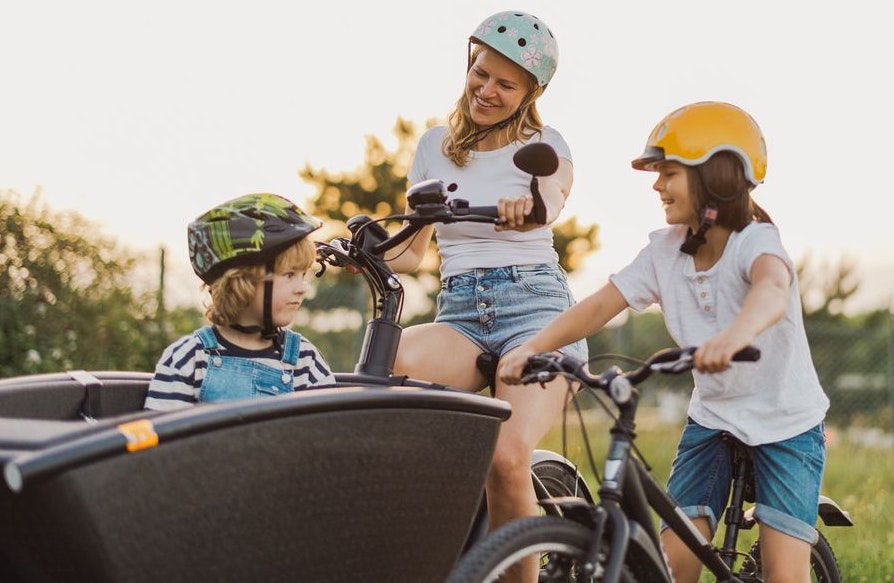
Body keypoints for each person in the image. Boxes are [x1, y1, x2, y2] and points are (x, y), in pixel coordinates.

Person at [498, 101, 830, 583]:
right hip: (713, 420)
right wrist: (535, 345)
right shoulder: (666, 250)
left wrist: (734, 336)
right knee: (671, 567)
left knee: (783, 574)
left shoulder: (755, 242)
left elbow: (771, 291)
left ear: (716, 176)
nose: (657, 186)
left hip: (786, 424)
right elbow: (599, 305)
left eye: (669, 173)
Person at [383, 9, 586, 571]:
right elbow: (413, 250)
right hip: (461, 314)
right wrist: (366, 251)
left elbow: (550, 202)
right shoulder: (434, 146)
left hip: (537, 312)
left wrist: (528, 208)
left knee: (505, 455)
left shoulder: (547, 143)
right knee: (385, 381)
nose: (487, 90)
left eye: (505, 83)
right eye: (481, 73)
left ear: (530, 92)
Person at [145, 193, 336, 411]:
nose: (302, 288)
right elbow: (163, 441)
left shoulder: (304, 360)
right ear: (241, 280)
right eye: (289, 274)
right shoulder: (189, 359)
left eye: (304, 275)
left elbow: (326, 437)